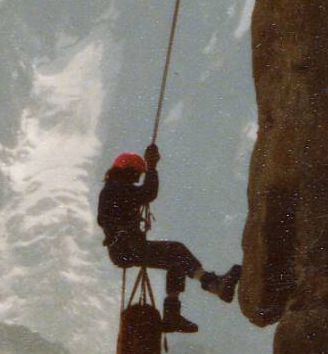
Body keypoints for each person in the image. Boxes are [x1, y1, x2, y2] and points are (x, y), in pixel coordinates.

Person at [96, 142, 241, 335]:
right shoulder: (117, 188)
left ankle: (175, 314)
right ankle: (212, 284)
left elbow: (136, 199)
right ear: (128, 171)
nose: (137, 178)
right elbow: (148, 193)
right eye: (136, 174)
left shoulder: (114, 189)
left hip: (124, 249)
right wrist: (152, 167)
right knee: (176, 251)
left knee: (175, 262)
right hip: (128, 247)